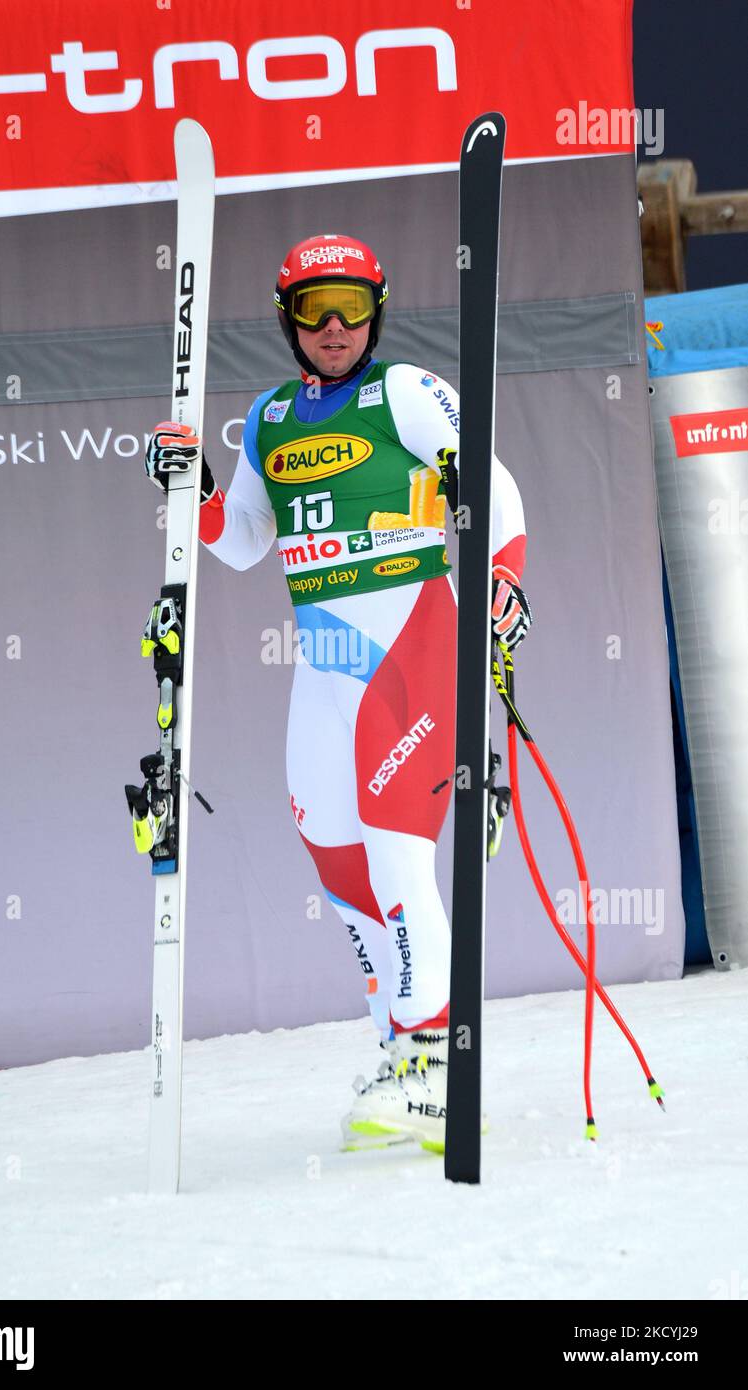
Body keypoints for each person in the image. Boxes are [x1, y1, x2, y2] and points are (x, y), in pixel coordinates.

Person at [145, 233, 530, 1153]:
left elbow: (494, 482)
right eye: (315, 308)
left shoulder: (401, 392)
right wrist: (190, 488)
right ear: (286, 318)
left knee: (398, 853)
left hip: (415, 643)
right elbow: (242, 541)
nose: (333, 326)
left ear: (378, 312)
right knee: (336, 861)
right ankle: (401, 1052)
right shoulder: (272, 416)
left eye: (352, 307)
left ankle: (443, 1070)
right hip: (325, 669)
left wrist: (504, 580)